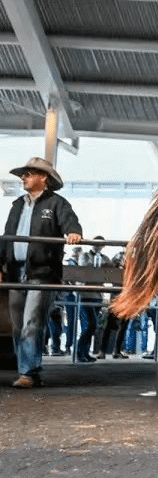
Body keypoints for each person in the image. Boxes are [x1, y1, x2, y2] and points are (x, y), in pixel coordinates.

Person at [0, 157, 83, 388]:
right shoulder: (17, 204)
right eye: (24, 174)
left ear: (43, 177)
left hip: (42, 272)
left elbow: (70, 221)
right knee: (18, 326)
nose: (24, 177)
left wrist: (74, 232)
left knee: (32, 323)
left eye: (29, 173)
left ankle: (27, 372)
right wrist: (1, 265)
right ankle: (28, 371)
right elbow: (7, 235)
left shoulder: (57, 203)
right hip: (16, 272)